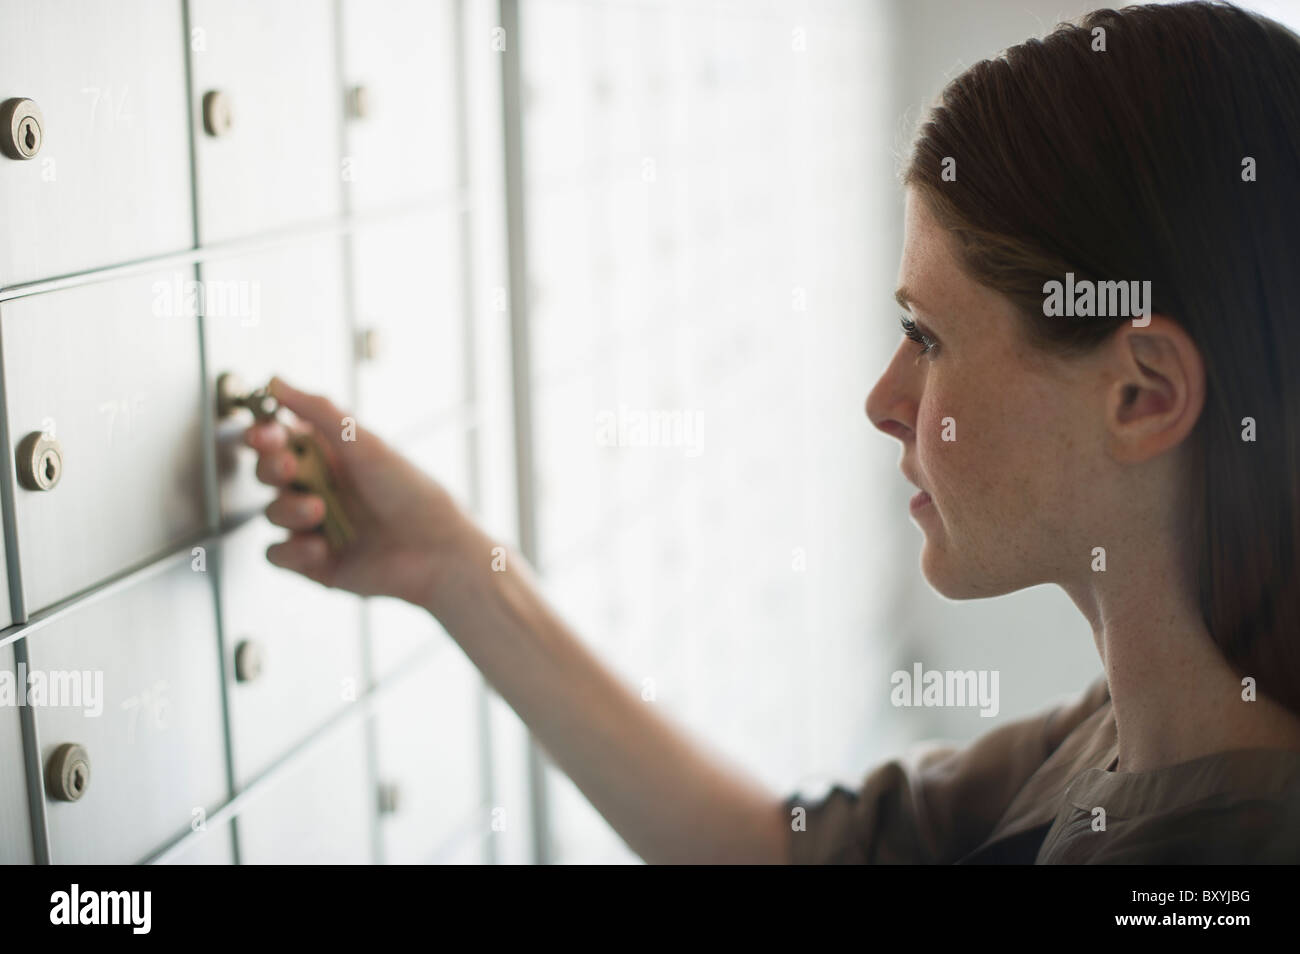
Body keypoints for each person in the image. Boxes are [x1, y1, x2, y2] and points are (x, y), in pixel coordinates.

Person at [243, 0, 1300, 863]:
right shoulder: (1129, 733)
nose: (885, 400)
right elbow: (775, 850)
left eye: (926, 337)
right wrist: (454, 568)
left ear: (1140, 395)